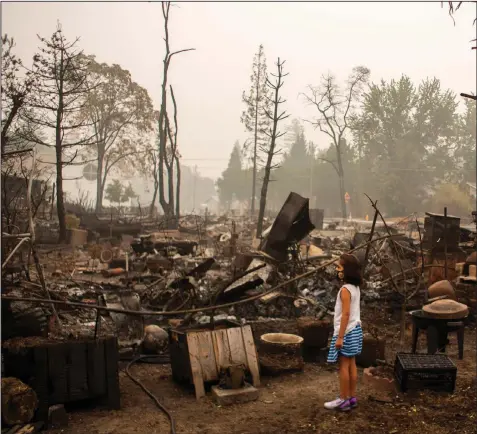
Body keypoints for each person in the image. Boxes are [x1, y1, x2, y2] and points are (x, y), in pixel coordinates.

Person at [324, 253, 363, 411]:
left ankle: (343, 399)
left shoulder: (345, 290)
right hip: (356, 329)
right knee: (352, 363)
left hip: (346, 332)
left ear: (346, 270)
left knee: (343, 365)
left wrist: (340, 337)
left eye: (339, 267)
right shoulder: (356, 288)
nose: (337, 270)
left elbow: (345, 314)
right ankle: (352, 398)